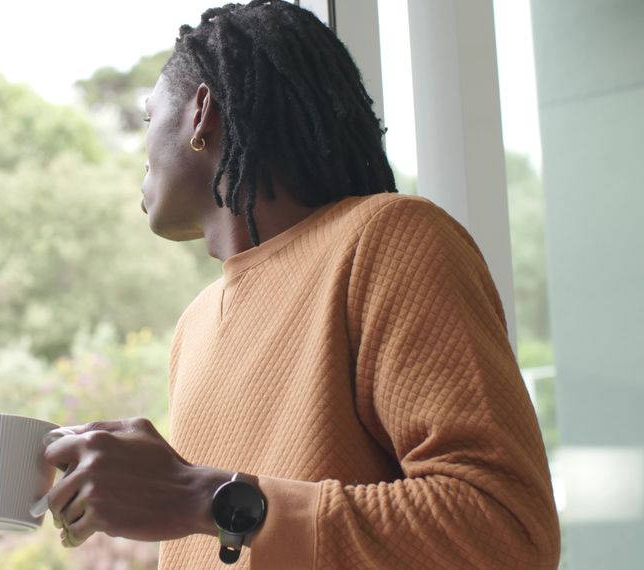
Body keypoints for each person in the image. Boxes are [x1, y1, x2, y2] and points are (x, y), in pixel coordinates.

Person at [41, 1, 561, 568]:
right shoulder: (195, 325)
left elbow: (508, 532)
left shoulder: (388, 240)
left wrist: (200, 497)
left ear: (200, 114)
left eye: (147, 118)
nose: (138, 150)